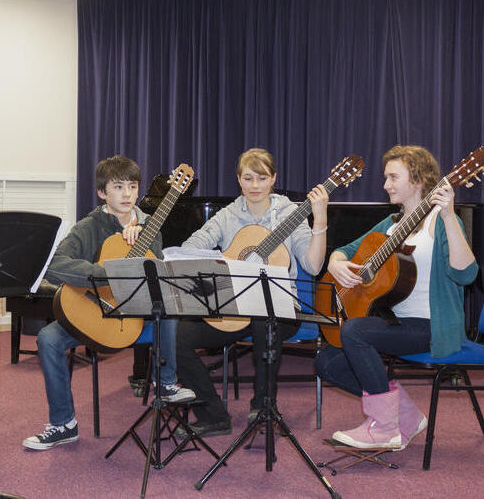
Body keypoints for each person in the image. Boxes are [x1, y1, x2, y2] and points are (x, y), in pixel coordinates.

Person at [22, 155, 195, 450]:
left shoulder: (150, 225)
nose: (127, 194)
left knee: (168, 303)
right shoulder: (88, 226)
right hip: (99, 313)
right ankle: (64, 424)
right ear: (103, 192)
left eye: (132, 186)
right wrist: (106, 275)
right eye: (118, 187)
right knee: (47, 339)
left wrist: (144, 243)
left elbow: (158, 273)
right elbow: (55, 265)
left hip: (137, 319)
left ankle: (165, 383)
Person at [314, 145, 478, 450]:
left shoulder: (440, 222)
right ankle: (407, 415)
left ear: (416, 180)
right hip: (397, 324)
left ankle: (385, 426)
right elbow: (345, 251)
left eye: (393, 177)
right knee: (326, 361)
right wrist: (336, 263)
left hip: (432, 327)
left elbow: (466, 274)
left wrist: (449, 215)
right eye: (385, 177)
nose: (385, 184)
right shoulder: (390, 225)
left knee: (354, 331)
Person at [175, 148, 329, 437]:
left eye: (261, 178)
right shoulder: (228, 215)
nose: (255, 186)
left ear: (273, 179)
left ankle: (263, 408)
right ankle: (213, 415)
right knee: (179, 335)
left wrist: (319, 220)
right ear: (239, 180)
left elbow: (313, 264)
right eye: (248, 178)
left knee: (264, 321)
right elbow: (189, 249)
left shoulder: (291, 214)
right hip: (233, 307)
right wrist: (224, 262)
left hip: (280, 307)